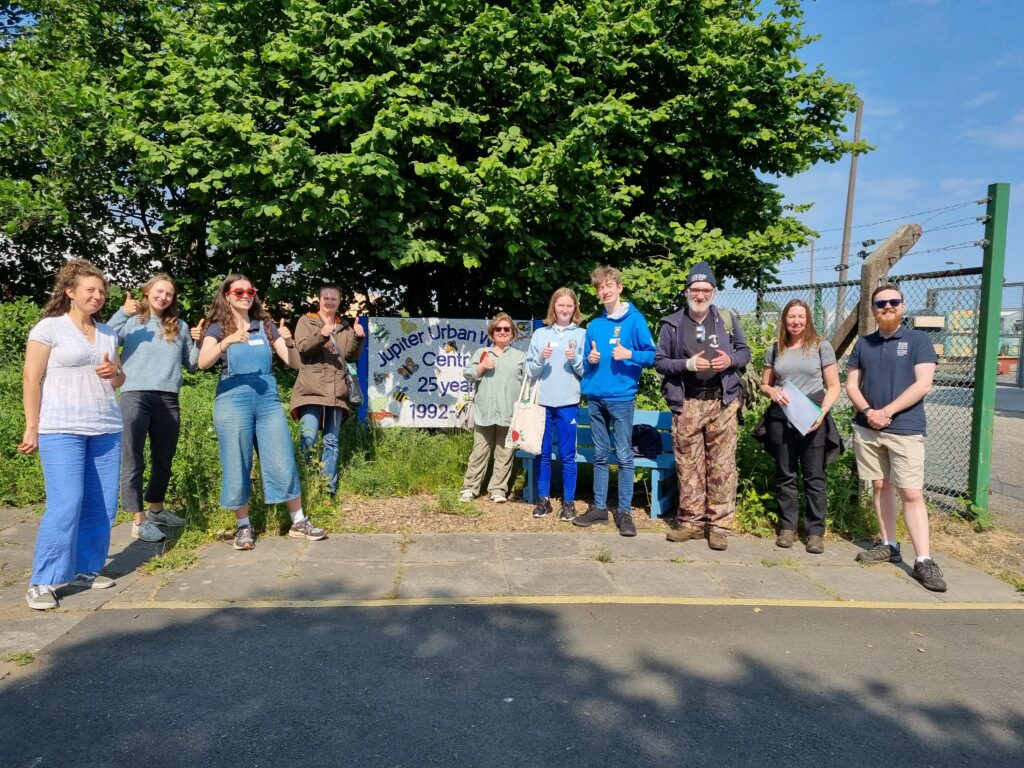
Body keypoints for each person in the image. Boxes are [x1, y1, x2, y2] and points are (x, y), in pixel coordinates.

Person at [19, 259, 125, 610]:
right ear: (70, 293)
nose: (97, 296)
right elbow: (31, 379)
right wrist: (32, 426)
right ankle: (44, 580)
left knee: (103, 506)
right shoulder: (49, 328)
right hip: (61, 427)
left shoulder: (109, 332)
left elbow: (119, 379)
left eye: (101, 291)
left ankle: (86, 568)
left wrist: (114, 372)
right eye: (90, 290)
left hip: (105, 427)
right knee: (66, 504)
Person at [198, 274, 326, 551]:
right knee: (237, 461)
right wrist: (228, 340)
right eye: (239, 291)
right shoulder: (217, 327)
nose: (245, 295)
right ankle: (243, 526)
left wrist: (290, 342)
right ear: (227, 296)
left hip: (267, 400)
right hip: (232, 400)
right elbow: (202, 362)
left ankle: (298, 521)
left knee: (282, 456)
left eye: (250, 291)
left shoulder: (267, 326)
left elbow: (292, 364)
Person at [846, 283, 946, 592]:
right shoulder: (863, 344)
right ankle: (889, 543)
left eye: (893, 302)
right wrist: (868, 411)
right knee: (880, 485)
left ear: (902, 306)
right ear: (873, 310)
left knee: (912, 492)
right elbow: (851, 385)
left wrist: (886, 411)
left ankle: (924, 560)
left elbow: (923, 384)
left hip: (905, 429)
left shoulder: (919, 341)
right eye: (880, 304)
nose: (887, 307)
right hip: (868, 427)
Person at [655, 261, 750, 550]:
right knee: (688, 466)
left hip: (721, 402)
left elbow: (745, 353)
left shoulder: (727, 319)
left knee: (722, 467)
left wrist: (730, 360)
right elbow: (659, 362)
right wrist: (687, 364)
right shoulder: (672, 324)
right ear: (686, 292)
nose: (700, 295)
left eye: (705, 290)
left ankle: (719, 526)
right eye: (695, 290)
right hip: (687, 403)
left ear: (714, 292)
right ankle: (691, 524)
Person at [108, 274, 202, 542]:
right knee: (133, 458)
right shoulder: (131, 322)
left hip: (168, 398)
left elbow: (193, 363)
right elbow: (102, 338)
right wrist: (121, 312)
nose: (163, 297)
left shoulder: (179, 326)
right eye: (159, 291)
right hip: (134, 395)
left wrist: (200, 339)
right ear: (147, 292)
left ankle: (157, 509)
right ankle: (139, 521)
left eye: (169, 294)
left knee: (164, 459)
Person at [575, 265, 656, 537]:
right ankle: (598, 509)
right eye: (600, 288)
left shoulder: (635, 320)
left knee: (623, 456)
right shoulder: (594, 326)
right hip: (595, 397)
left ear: (619, 288)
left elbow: (653, 356)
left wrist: (629, 353)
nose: (605, 291)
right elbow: (586, 362)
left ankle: (624, 512)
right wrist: (590, 359)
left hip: (621, 398)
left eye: (609, 286)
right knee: (599, 455)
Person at [757, 299, 842, 554]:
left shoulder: (820, 346)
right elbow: (764, 385)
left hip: (812, 414)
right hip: (782, 416)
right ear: (784, 320)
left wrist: (822, 412)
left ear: (808, 320)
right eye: (791, 317)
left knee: (814, 476)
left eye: (801, 317)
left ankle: (815, 532)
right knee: (786, 474)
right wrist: (772, 392)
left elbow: (834, 386)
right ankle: (789, 528)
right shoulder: (775, 348)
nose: (796, 321)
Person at [290, 285, 365, 497]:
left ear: (339, 301)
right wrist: (321, 335)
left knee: (331, 442)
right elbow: (303, 348)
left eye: (334, 298)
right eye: (326, 298)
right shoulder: (307, 321)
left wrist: (358, 338)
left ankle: (327, 491)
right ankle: (304, 486)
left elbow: (351, 355)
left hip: (336, 392)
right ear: (318, 299)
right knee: (308, 438)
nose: (329, 301)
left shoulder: (345, 326)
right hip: (311, 391)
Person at [525, 288, 587, 521]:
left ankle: (568, 503)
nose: (564, 309)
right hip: (542, 402)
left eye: (569, 306)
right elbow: (530, 370)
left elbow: (585, 372)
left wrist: (575, 360)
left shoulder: (582, 334)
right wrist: (541, 358)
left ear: (575, 308)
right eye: (560, 305)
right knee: (542, 454)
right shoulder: (540, 334)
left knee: (567, 455)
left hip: (568, 402)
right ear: (553, 308)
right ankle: (544, 500)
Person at [459, 312, 526, 503]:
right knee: (479, 451)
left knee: (504, 453)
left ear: (512, 333)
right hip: (485, 411)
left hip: (509, 412)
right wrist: (481, 367)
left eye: (507, 329)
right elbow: (468, 374)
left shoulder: (521, 357)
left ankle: (498, 490)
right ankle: (470, 488)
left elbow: (528, 383)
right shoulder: (482, 353)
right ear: (492, 333)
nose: (503, 332)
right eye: (498, 329)